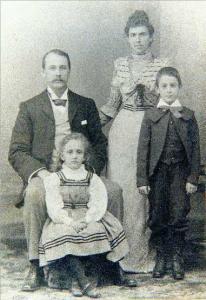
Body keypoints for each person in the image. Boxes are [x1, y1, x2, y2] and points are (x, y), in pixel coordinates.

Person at [8, 49, 131, 291]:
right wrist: (42, 173)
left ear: (69, 71)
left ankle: (112, 262)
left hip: (80, 173)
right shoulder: (30, 107)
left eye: (62, 67)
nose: (58, 73)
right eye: (52, 68)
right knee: (34, 193)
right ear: (43, 73)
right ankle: (35, 264)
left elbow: (98, 144)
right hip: (47, 174)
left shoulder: (85, 104)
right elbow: (17, 151)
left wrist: (88, 172)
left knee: (114, 190)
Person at [100, 10, 169, 273]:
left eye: (143, 35)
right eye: (133, 35)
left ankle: (142, 254)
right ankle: (120, 254)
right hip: (122, 131)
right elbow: (112, 104)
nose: (138, 40)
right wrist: (92, 128)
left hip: (151, 129)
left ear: (151, 37)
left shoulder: (162, 64)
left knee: (145, 192)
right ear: (127, 38)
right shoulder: (120, 65)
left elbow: (167, 103)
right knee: (123, 190)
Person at [39, 132, 129, 297]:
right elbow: (53, 207)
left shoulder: (92, 178)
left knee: (96, 230)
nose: (74, 156)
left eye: (79, 152)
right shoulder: (54, 179)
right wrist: (70, 221)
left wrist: (87, 220)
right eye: (70, 152)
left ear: (85, 156)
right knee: (65, 233)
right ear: (62, 156)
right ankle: (81, 281)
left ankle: (86, 279)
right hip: (64, 218)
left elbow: (98, 203)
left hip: (86, 215)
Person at [136, 67, 200, 280]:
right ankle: (162, 257)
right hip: (158, 173)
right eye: (164, 86)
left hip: (181, 172)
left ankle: (176, 258)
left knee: (179, 213)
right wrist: (142, 179)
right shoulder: (150, 115)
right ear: (157, 88)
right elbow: (143, 149)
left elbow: (195, 149)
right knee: (157, 215)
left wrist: (193, 177)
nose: (169, 90)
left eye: (173, 85)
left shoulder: (188, 115)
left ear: (179, 87)